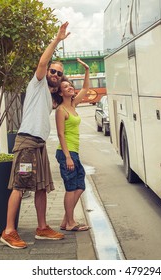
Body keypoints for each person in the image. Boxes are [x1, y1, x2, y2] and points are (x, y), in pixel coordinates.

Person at [0, 22, 71, 249]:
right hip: (27, 144)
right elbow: (42, 61)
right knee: (20, 185)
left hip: (39, 146)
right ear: (47, 71)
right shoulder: (37, 83)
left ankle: (42, 228)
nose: (55, 74)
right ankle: (9, 231)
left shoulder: (51, 97)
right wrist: (57, 40)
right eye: (53, 71)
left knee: (41, 186)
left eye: (59, 74)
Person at [54, 58, 91, 232]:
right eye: (66, 87)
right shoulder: (61, 110)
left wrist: (86, 71)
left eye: (70, 86)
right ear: (61, 93)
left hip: (73, 152)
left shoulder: (74, 105)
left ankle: (65, 220)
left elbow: (85, 88)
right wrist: (68, 157)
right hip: (66, 153)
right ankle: (70, 223)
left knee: (80, 186)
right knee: (71, 187)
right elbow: (61, 134)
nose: (70, 88)